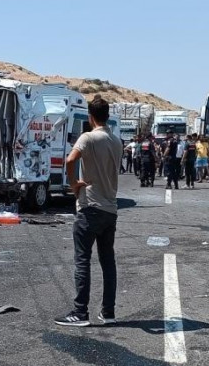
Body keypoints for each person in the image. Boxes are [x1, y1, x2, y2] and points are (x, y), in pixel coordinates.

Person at [55, 96, 121, 327]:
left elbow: (70, 160)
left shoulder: (88, 137)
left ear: (90, 117)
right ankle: (108, 311)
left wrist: (74, 184)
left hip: (90, 207)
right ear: (108, 115)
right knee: (107, 262)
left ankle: (80, 312)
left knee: (82, 260)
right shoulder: (116, 140)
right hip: (110, 208)